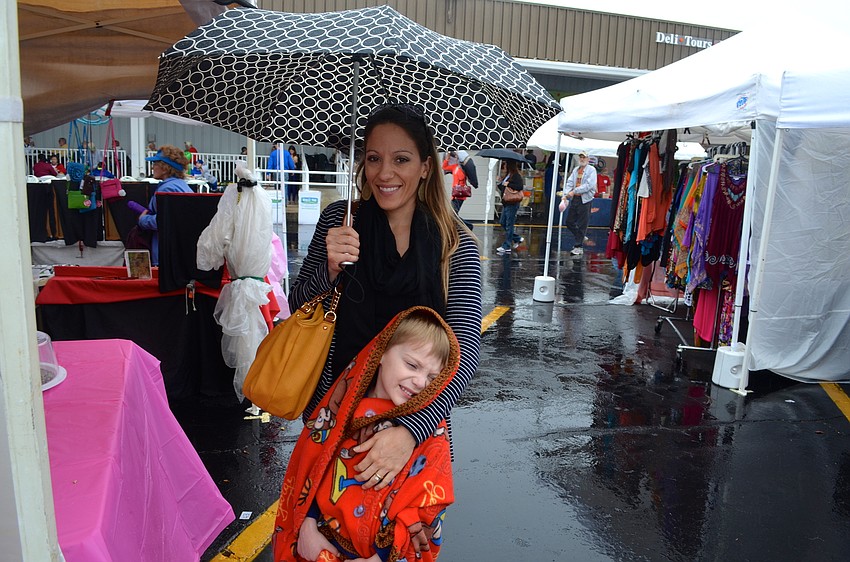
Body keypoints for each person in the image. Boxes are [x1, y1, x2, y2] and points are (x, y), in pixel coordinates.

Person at [283, 103, 481, 550]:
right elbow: (299, 307)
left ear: (426, 167)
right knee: (318, 542)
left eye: (401, 159)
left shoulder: (456, 245)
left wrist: (412, 431)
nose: (384, 172)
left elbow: (464, 352)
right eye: (373, 158)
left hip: (416, 428)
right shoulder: (341, 220)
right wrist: (328, 270)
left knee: (395, 545)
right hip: (334, 420)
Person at [275, 307, 459, 562]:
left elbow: (429, 503)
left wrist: (380, 557)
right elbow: (317, 468)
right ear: (382, 351)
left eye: (432, 377)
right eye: (411, 365)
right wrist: (307, 523)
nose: (419, 382)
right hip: (323, 543)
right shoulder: (343, 410)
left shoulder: (430, 432)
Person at [138, 145, 193, 266]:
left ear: (165, 168)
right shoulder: (182, 185)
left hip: (166, 251)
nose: (153, 167)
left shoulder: (166, 189)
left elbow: (165, 221)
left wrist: (143, 220)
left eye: (156, 163)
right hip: (180, 250)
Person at [562, 151, 597, 256]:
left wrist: (574, 191)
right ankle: (581, 237)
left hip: (585, 199)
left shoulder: (591, 170)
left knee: (582, 223)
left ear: (588, 159)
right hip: (575, 199)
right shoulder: (576, 170)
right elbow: (570, 182)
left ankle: (578, 246)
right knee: (569, 222)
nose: (582, 159)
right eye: (580, 157)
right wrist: (566, 193)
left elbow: (589, 185)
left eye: (584, 157)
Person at [496, 159, 525, 254]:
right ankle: (517, 238)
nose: (503, 168)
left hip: (512, 203)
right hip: (507, 202)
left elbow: (519, 186)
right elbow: (504, 189)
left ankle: (507, 245)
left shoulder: (516, 176)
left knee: (509, 224)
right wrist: (500, 182)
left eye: (505, 165)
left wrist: (508, 184)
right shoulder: (508, 176)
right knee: (503, 222)